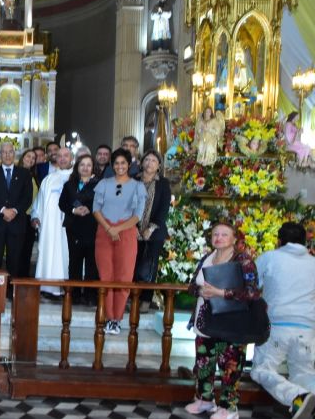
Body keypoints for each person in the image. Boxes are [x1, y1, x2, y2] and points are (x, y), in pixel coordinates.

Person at [184, 223, 259, 419]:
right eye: (215, 234)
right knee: (203, 363)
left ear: (234, 238)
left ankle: (228, 407)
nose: (219, 238)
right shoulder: (206, 259)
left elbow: (252, 292)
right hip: (205, 321)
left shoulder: (243, 261)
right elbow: (191, 286)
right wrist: (201, 291)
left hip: (232, 323)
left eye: (224, 234)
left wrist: (221, 293)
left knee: (230, 367)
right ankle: (204, 399)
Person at [251, 222, 315, 419]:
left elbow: (251, 285)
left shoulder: (270, 257)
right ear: (305, 242)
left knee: (262, 369)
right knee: (303, 371)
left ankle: (296, 397)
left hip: (277, 326)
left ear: (279, 241)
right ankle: (308, 398)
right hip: (307, 328)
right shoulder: (313, 262)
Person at [92, 148, 147, 335]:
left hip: (127, 233)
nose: (120, 166)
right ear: (112, 165)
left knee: (124, 277)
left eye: (123, 163)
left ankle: (117, 319)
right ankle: (108, 317)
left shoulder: (138, 186)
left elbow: (138, 215)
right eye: (116, 163)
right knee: (106, 276)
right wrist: (109, 228)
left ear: (129, 165)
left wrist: (118, 229)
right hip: (104, 232)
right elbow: (96, 209)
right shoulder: (103, 184)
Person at [0, 142, 33, 278]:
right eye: (4, 152)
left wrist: (15, 211)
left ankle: (12, 288)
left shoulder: (24, 173)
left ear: (14, 153)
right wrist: (3, 210)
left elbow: (27, 198)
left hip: (17, 223)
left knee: (15, 261)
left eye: (10, 152)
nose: (7, 155)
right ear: (0, 154)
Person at [32, 148, 74, 297]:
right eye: (59, 156)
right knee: (50, 253)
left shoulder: (76, 177)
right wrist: (35, 217)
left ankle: (68, 289)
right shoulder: (49, 179)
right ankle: (48, 287)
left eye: (66, 156)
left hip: (70, 226)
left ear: (72, 158)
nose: (62, 158)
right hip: (50, 227)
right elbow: (39, 202)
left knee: (68, 255)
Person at [133, 150, 171, 312]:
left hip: (154, 231)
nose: (149, 163)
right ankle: (132, 297)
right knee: (132, 264)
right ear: (142, 163)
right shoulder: (133, 180)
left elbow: (164, 208)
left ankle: (145, 300)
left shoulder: (163, 183)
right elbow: (127, 205)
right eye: (147, 160)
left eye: (154, 161)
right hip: (132, 229)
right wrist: (133, 227)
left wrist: (150, 228)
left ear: (159, 165)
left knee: (150, 266)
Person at [58, 154, 99, 304]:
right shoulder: (69, 184)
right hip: (74, 227)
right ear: (77, 167)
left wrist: (90, 209)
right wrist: (74, 210)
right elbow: (62, 203)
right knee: (74, 262)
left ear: (93, 167)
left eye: (89, 165)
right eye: (82, 164)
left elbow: (103, 202)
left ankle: (90, 295)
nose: (85, 168)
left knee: (91, 263)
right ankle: (73, 295)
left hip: (92, 227)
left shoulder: (99, 184)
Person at [17, 149, 39, 277]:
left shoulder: (33, 176)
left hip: (30, 217)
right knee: (18, 250)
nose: (30, 159)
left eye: (33, 158)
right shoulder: (16, 173)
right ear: (22, 157)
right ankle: (16, 279)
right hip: (19, 216)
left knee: (27, 250)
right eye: (28, 156)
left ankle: (24, 278)